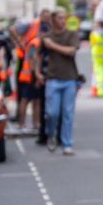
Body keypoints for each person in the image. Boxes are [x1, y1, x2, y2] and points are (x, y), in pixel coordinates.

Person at [38, 9, 81, 155]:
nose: (63, 21)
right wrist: (37, 73)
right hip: (52, 79)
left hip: (69, 79)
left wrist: (53, 46)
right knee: (51, 113)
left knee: (68, 114)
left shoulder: (71, 34)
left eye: (64, 18)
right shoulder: (47, 36)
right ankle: (51, 134)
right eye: (60, 18)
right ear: (53, 20)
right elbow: (37, 55)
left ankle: (66, 144)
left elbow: (71, 51)